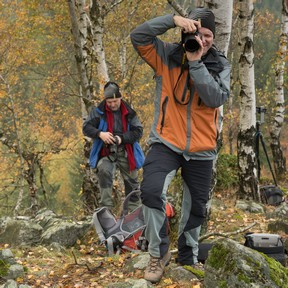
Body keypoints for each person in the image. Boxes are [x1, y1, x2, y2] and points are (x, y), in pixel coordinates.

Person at [130, 8, 230, 283]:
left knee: (196, 207)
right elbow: (137, 36)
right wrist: (171, 20)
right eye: (197, 33)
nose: (203, 39)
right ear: (186, 32)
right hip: (166, 142)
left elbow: (215, 98)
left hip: (202, 149)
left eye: (208, 35)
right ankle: (157, 253)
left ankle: (188, 256)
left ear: (214, 37)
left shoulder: (220, 65)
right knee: (150, 191)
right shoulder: (166, 55)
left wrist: (196, 63)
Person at [82, 81, 143, 212]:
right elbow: (86, 128)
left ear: (120, 98)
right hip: (106, 152)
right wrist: (100, 134)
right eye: (109, 102)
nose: (112, 105)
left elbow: (138, 132)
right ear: (105, 100)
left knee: (132, 181)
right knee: (103, 170)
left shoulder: (129, 112)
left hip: (126, 151)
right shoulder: (99, 111)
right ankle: (106, 209)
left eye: (115, 101)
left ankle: (133, 211)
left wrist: (121, 138)